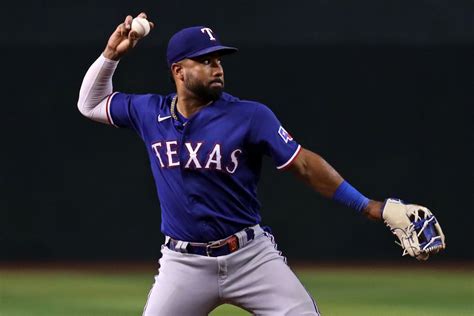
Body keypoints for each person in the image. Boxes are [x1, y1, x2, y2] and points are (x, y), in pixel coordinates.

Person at [78, 12, 444, 316]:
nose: (217, 67)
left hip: (250, 257)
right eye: (205, 61)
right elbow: (90, 104)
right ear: (179, 71)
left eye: (218, 59)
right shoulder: (149, 112)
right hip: (183, 264)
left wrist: (370, 207)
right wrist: (112, 53)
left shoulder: (250, 116)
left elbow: (303, 165)